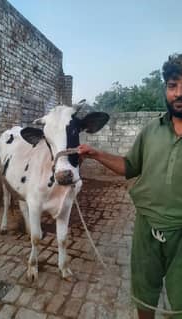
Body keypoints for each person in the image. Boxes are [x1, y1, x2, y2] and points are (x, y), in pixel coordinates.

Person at [78, 53, 182, 319]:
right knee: (143, 293)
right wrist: (95, 154)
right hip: (146, 227)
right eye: (173, 85)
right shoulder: (151, 130)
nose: (178, 93)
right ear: (165, 89)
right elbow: (129, 167)